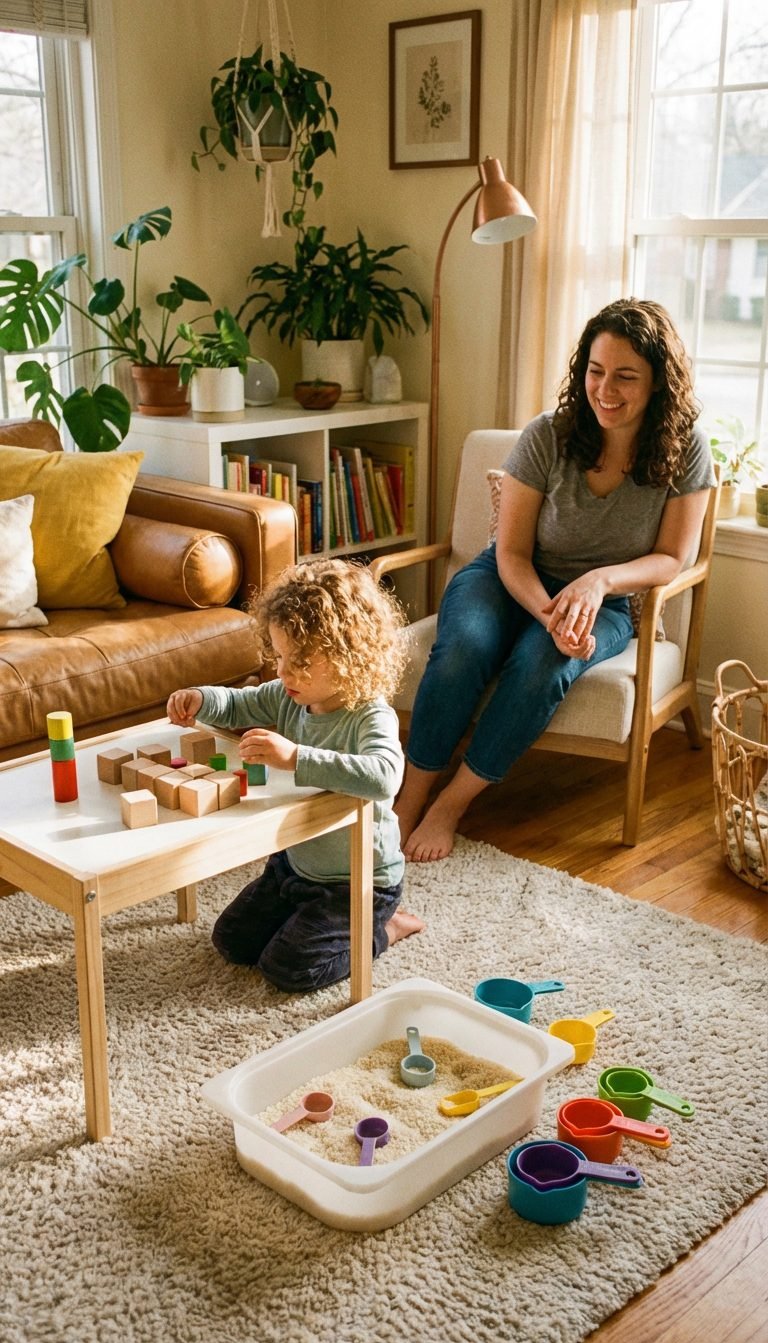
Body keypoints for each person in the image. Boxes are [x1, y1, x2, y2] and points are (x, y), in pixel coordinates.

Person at [396, 297, 716, 863]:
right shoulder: (549, 434)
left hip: (607, 601)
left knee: (543, 665)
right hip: (506, 578)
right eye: (595, 371)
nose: (605, 389)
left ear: (658, 384)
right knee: (463, 650)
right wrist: (549, 612)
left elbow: (672, 556)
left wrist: (597, 584)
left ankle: (451, 805)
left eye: (625, 376)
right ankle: (407, 801)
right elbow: (512, 553)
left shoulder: (685, 448)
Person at [167, 559, 424, 991]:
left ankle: (385, 930)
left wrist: (294, 757)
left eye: (300, 661)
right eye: (280, 656)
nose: (283, 672)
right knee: (231, 941)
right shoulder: (288, 696)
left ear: (349, 656)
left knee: (290, 968)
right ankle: (305, 917)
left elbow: (383, 777)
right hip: (292, 868)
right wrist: (200, 697)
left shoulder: (369, 715)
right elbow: (236, 705)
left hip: (358, 882)